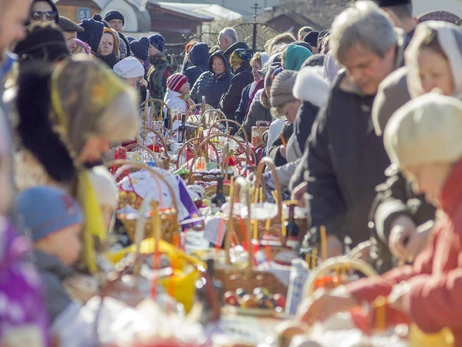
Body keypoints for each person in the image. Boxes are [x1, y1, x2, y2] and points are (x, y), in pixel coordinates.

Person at [299, 94, 462, 345]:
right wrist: (352, 297)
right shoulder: (449, 210)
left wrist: (412, 297)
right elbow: (422, 273)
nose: (416, 188)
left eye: (416, 172)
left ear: (441, 159)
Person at [15, 56, 139, 273]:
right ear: (79, 126)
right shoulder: (27, 171)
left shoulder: (66, 167)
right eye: (101, 135)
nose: (104, 147)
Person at [304, 1, 406, 256]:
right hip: (350, 248)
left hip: (401, 248)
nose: (357, 76)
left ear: (390, 51)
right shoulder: (341, 94)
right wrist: (329, 232)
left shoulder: (414, 92)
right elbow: (320, 169)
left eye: (364, 65)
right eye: (349, 68)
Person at [367, 21, 462, 271]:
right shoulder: (420, 124)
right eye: (420, 76)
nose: (428, 85)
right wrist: (395, 220)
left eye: (437, 74)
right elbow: (391, 188)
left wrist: (438, 232)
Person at [17, 186, 83, 324]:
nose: (80, 246)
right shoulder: (45, 285)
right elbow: (80, 335)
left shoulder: (34, 273)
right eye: (75, 235)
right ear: (48, 235)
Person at [219, 48, 253, 128]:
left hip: (234, 123)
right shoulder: (254, 75)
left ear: (239, 63)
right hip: (249, 121)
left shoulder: (238, 79)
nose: (233, 68)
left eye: (234, 64)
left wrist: (222, 98)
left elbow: (228, 104)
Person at [235, 52, 269, 124]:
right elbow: (239, 112)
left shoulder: (268, 90)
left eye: (256, 67)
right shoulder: (247, 89)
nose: (252, 71)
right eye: (252, 67)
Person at [146, 33, 172, 100]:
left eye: (150, 47)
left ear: (157, 48)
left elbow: (163, 91)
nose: (148, 49)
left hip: (159, 106)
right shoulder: (155, 64)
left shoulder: (164, 66)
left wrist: (160, 108)